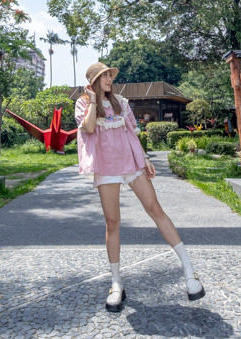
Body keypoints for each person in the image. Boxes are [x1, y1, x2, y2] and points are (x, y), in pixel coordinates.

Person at [75, 62, 205, 312]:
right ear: (93, 82)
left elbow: (132, 134)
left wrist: (144, 159)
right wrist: (92, 99)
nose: (110, 79)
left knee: (155, 208)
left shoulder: (121, 103)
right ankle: (116, 282)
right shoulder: (83, 104)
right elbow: (89, 128)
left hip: (130, 163)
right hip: (106, 167)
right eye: (104, 76)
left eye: (110, 75)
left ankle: (189, 272)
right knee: (112, 222)